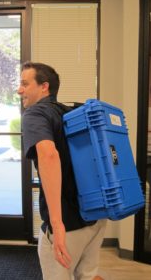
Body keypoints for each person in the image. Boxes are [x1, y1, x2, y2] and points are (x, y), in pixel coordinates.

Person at [18, 62, 107, 280]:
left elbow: (48, 155)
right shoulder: (70, 113)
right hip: (95, 216)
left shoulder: (35, 114)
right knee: (88, 275)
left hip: (67, 224)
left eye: (24, 83)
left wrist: (57, 226)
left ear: (44, 87)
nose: (19, 89)